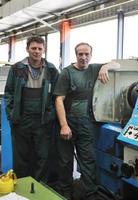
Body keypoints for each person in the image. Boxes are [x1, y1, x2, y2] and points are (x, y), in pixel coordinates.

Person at [54, 42, 120, 200]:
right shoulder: (67, 73)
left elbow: (117, 65)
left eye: (86, 54)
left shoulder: (94, 68)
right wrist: (63, 125)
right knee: (65, 161)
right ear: (76, 55)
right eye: (80, 54)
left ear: (91, 55)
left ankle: (90, 193)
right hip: (68, 123)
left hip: (87, 125)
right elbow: (58, 99)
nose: (83, 57)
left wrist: (105, 67)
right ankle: (65, 192)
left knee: (88, 160)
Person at [4, 36, 59, 182]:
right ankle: (22, 184)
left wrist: (50, 114)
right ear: (27, 49)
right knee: (21, 156)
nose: (36, 51)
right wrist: (11, 114)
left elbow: (57, 96)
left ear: (44, 50)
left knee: (43, 155)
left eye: (40, 49)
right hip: (21, 119)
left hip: (43, 120)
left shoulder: (52, 70)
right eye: (33, 48)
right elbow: (8, 92)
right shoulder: (16, 68)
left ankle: (40, 185)